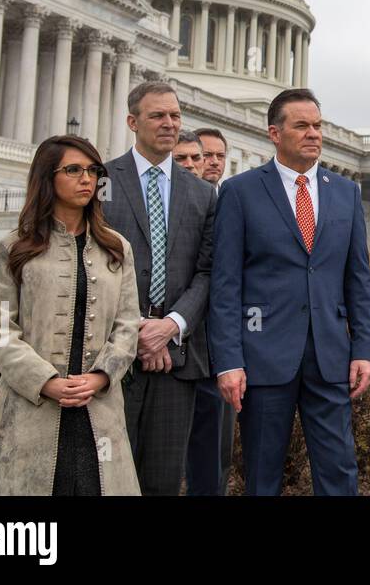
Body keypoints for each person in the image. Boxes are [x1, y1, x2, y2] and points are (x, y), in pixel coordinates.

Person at [209, 88, 370, 495]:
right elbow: (226, 284)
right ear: (274, 133)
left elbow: (357, 277)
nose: (313, 134)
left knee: (339, 471)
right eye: (301, 126)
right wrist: (228, 361)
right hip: (263, 357)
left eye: (317, 126)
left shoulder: (345, 192)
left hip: (330, 355)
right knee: (262, 475)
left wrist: (364, 350)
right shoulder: (240, 192)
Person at [0, 136, 141, 496]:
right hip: (33, 406)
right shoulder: (14, 247)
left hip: (99, 408)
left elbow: (127, 324)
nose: (87, 179)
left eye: (93, 171)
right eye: (73, 170)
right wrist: (45, 381)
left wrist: (101, 377)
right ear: (48, 177)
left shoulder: (117, 247)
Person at [99, 81, 217, 495]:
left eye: (175, 116)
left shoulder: (203, 194)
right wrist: (136, 332)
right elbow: (90, 266)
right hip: (110, 359)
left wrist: (169, 326)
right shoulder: (101, 183)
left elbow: (208, 272)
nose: (169, 124)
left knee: (164, 482)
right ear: (132, 121)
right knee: (108, 479)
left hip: (177, 359)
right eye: (157, 116)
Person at [186, 126, 235, 496]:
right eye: (206, 155)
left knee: (217, 449)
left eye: (219, 155)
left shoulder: (227, 201)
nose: (212, 162)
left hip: (218, 346)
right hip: (179, 339)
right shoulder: (184, 204)